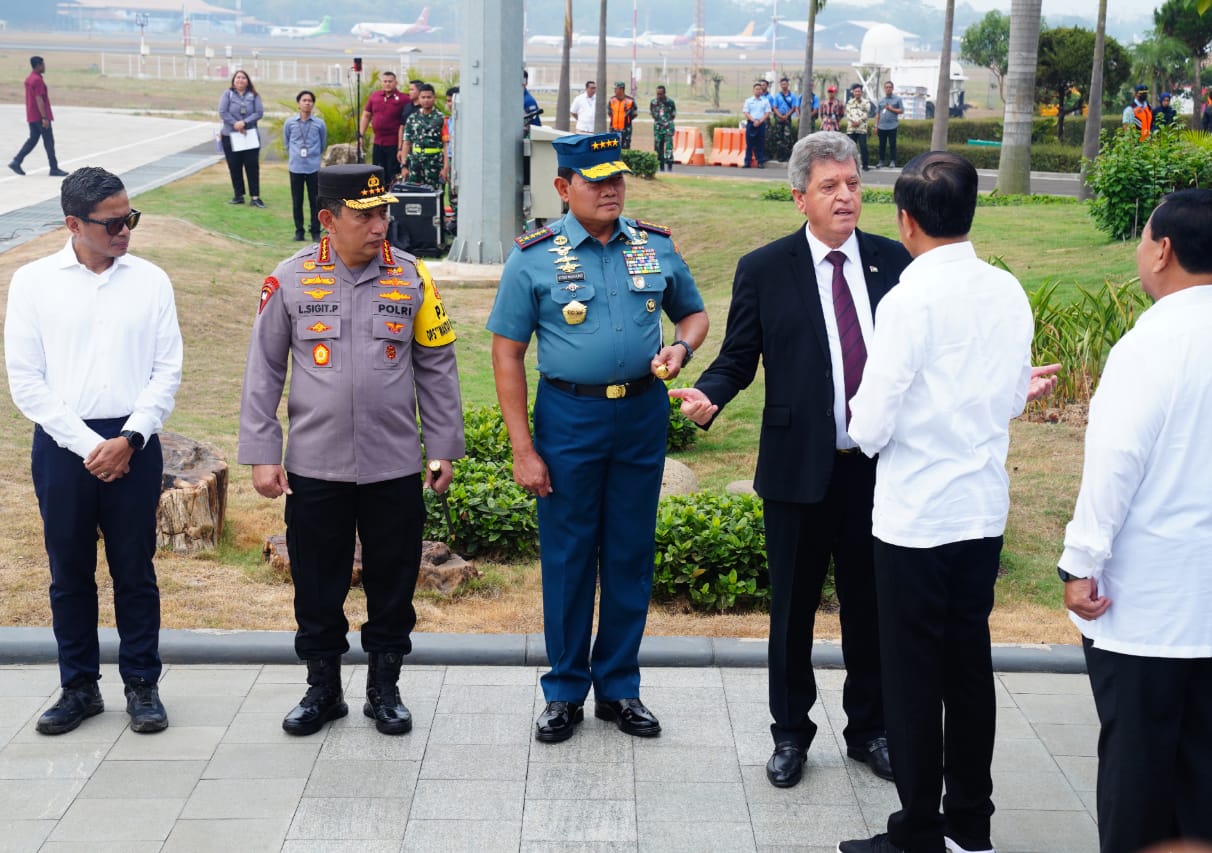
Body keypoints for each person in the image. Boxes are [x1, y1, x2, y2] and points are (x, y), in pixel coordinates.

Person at [669, 132, 905, 790]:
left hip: (878, 471)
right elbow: (739, 356)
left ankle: (871, 730)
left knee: (870, 608)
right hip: (799, 470)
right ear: (800, 197)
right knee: (793, 611)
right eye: (830, 187)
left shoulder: (893, 263)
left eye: (854, 184)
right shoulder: (765, 268)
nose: (846, 196)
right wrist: (711, 395)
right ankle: (791, 733)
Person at [1059, 189, 1212, 853]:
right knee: (1208, 753)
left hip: (1150, 598)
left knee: (1137, 765)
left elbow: (1115, 465)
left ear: (1163, 249)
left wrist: (1080, 562)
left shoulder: (1151, 342)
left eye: (1143, 236)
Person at [837, 151, 1034, 853]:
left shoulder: (908, 300)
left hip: (917, 518)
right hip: (981, 512)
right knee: (968, 667)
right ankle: (970, 827)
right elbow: (1014, 397)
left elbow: (868, 426)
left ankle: (918, 827)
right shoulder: (1006, 290)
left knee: (915, 678)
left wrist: (862, 418)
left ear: (907, 221)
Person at [487, 132, 709, 745]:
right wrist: (523, 447)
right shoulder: (533, 257)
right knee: (568, 556)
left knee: (631, 553)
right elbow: (507, 355)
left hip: (640, 417)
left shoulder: (654, 246)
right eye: (595, 180)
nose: (611, 189)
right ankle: (563, 691)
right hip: (569, 418)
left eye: (617, 178)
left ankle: (619, 687)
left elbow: (693, 313)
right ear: (563, 188)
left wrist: (681, 347)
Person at [238, 164, 464, 738]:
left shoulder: (413, 277)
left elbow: (437, 368)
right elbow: (262, 372)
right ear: (328, 218)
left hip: (394, 465)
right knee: (316, 581)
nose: (380, 224)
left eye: (384, 212)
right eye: (365, 215)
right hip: (316, 465)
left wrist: (442, 447)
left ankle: (384, 688)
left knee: (393, 580)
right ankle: (323, 688)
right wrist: (264, 451)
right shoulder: (289, 280)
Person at [5, 166, 183, 736]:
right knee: (70, 573)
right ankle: (79, 687)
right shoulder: (33, 283)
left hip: (135, 443)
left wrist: (128, 439)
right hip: (64, 445)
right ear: (73, 224)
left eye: (130, 217)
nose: (126, 230)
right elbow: (26, 381)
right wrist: (91, 447)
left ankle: (142, 685)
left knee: (135, 570)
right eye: (113, 223)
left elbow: (167, 370)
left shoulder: (151, 280)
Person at [8, 56, 67, 177]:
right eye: (43, 64)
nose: (44, 66)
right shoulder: (37, 80)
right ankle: (54, 168)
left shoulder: (30, 78)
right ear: (38, 65)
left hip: (32, 115)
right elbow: (39, 99)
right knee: (49, 141)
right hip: (40, 116)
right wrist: (44, 118)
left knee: (33, 139)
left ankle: (17, 161)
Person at [283, 90, 327, 242]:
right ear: (298, 103)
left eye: (310, 100)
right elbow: (287, 142)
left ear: (313, 104)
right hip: (296, 167)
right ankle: (299, 231)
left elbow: (322, 144)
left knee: (315, 200)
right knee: (297, 200)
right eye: (304, 100)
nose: (307, 103)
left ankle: (315, 231)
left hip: (313, 167)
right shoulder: (290, 123)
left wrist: (313, 156)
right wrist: (295, 154)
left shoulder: (319, 124)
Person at [218, 69, 265, 207]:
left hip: (249, 136)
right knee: (234, 166)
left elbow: (259, 112)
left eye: (243, 78)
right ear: (233, 80)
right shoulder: (228, 94)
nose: (240, 80)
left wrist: (244, 123)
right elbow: (223, 112)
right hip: (230, 136)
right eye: (238, 78)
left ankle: (255, 197)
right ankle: (238, 195)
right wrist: (235, 124)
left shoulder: (254, 95)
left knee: (252, 166)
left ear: (247, 80)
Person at [360, 71, 410, 185]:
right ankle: (379, 201)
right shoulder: (375, 96)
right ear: (381, 83)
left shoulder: (403, 99)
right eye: (385, 81)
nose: (387, 84)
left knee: (392, 176)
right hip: (378, 143)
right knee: (377, 174)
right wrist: (361, 134)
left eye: (390, 81)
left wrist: (402, 147)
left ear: (396, 82)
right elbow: (366, 115)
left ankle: (392, 200)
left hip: (394, 145)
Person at [400, 83, 448, 190]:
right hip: (415, 164)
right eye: (423, 97)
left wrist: (445, 168)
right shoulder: (412, 118)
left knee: (435, 197)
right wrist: (404, 166)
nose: (426, 100)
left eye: (429, 97)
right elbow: (407, 143)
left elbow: (446, 145)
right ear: (419, 98)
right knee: (415, 195)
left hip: (435, 164)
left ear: (434, 98)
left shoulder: (441, 118)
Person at [845, 83, 876, 171]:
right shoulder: (850, 102)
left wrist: (858, 121)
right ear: (853, 92)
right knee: (850, 148)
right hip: (851, 128)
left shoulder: (866, 102)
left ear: (861, 92)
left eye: (859, 91)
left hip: (861, 128)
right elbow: (848, 113)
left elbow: (867, 113)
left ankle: (865, 165)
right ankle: (850, 166)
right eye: (855, 91)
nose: (857, 93)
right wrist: (853, 121)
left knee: (863, 147)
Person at [770, 77, 800, 162]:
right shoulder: (777, 96)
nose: (784, 86)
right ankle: (780, 156)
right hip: (779, 118)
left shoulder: (792, 96)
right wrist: (780, 115)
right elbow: (774, 107)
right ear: (780, 85)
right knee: (779, 137)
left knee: (787, 137)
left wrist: (786, 116)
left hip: (787, 118)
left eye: (785, 84)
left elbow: (794, 107)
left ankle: (787, 156)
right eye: (782, 84)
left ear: (788, 84)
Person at [743, 81, 771, 169]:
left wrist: (759, 121)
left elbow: (767, 113)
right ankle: (747, 162)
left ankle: (760, 162)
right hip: (751, 124)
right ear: (753, 90)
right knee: (749, 144)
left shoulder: (765, 101)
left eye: (759, 89)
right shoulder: (748, 101)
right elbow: (746, 112)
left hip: (761, 124)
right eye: (756, 89)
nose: (758, 91)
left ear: (761, 91)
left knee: (760, 144)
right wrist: (753, 120)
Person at [876, 80, 903, 169]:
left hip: (892, 126)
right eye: (886, 87)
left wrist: (891, 109)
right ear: (884, 89)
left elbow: (901, 110)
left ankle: (892, 161)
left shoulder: (897, 99)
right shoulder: (881, 100)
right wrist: (876, 125)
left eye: (890, 87)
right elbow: (877, 114)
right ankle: (881, 161)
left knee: (892, 145)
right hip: (881, 126)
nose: (888, 89)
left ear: (892, 88)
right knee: (881, 145)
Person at [650, 85, 677, 172]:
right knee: (658, 148)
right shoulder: (653, 102)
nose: (659, 96)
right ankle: (661, 167)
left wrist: (666, 122)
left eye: (660, 94)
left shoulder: (670, 102)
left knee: (668, 147)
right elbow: (652, 113)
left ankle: (669, 167)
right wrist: (659, 121)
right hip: (658, 128)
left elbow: (673, 114)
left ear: (664, 93)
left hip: (668, 127)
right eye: (657, 94)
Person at [608, 82, 638, 149]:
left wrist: (626, 120)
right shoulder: (612, 100)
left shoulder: (630, 101)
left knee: (625, 148)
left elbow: (635, 114)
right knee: (613, 148)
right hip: (614, 129)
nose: (614, 90)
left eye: (616, 89)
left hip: (626, 129)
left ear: (621, 89)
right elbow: (610, 113)